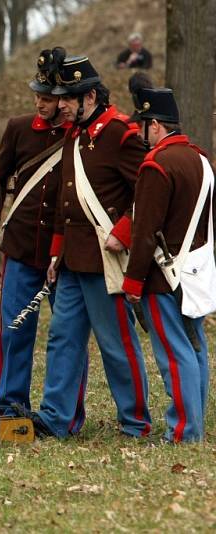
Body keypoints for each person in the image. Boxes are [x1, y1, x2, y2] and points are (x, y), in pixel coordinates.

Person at [16, 53, 152, 439]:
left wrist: (123, 232)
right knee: (62, 338)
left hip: (104, 258)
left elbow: (149, 194)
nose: (60, 105)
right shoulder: (76, 135)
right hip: (74, 258)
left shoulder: (121, 134)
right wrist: (57, 250)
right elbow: (66, 198)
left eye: (68, 98)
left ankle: (136, 421)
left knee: (116, 343)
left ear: (89, 97)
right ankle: (55, 417)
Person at [0, 48, 78, 418]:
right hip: (23, 244)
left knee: (67, 336)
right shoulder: (19, 128)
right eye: (38, 96)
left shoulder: (79, 133)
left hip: (68, 250)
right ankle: (9, 403)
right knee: (14, 330)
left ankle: (66, 409)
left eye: (48, 98)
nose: (40, 103)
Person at [123, 87, 213, 442]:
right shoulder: (202, 160)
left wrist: (133, 282)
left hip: (164, 276)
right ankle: (196, 424)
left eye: (143, 125)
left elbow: (144, 230)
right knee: (194, 347)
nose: (140, 132)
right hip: (197, 271)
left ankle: (184, 431)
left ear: (155, 125)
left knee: (175, 354)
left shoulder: (156, 165)